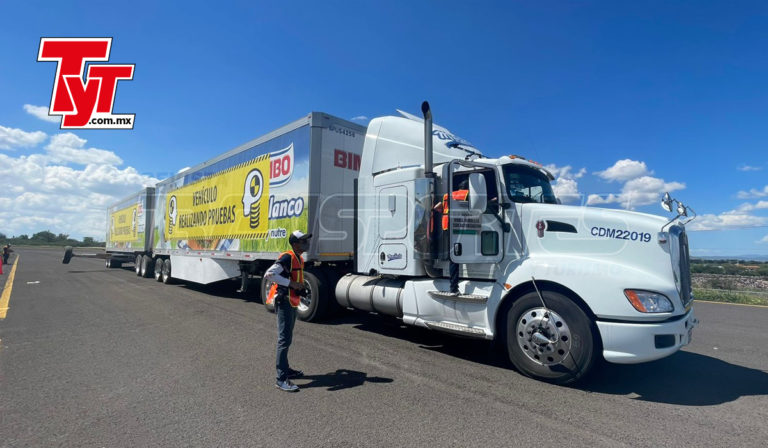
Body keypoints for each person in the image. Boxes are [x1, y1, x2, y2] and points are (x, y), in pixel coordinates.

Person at [264, 230, 312, 392]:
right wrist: (291, 284)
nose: (306, 243)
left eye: (306, 240)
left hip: (292, 301)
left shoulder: (298, 258)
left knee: (288, 338)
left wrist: (298, 285)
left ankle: (286, 368)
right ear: (295, 243)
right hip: (284, 301)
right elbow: (269, 274)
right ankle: (281, 379)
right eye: (303, 240)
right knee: (284, 339)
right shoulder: (288, 257)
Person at [433, 180, 469, 294]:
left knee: (452, 256)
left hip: (446, 225)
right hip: (457, 226)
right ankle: (454, 288)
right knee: (456, 257)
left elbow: (436, 207)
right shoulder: (467, 194)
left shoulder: (448, 195)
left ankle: (453, 286)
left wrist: (445, 212)